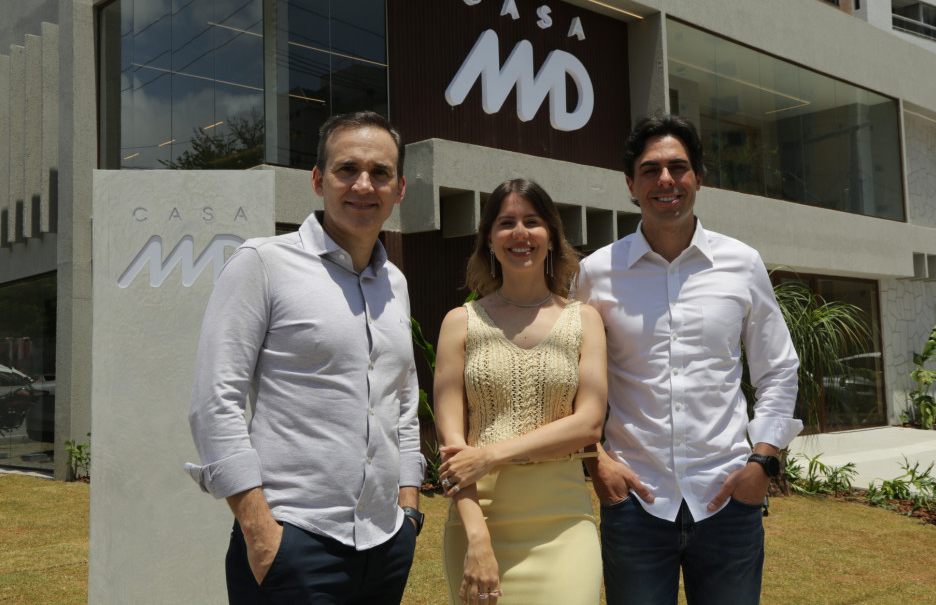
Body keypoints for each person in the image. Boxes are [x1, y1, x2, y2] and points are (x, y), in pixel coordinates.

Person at [185, 110, 426, 604]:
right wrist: (260, 532)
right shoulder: (263, 264)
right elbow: (215, 401)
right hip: (293, 540)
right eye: (347, 169)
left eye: (380, 172)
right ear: (318, 180)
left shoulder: (395, 284)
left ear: (399, 189)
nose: (364, 184)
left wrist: (409, 507)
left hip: (386, 542)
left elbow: (402, 397)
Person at [573, 115, 803, 605]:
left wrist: (763, 461)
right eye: (650, 169)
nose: (666, 180)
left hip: (728, 498)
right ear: (631, 185)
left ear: (699, 178)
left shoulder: (741, 263)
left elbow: (778, 368)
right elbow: (572, 381)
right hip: (635, 501)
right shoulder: (597, 273)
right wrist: (598, 465)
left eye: (678, 167)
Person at [433, 179, 608, 605]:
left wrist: (491, 454)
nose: (520, 233)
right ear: (489, 240)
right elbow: (452, 447)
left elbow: (589, 423)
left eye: (532, 221)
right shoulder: (460, 322)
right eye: (506, 222)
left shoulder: (584, 320)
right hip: (479, 518)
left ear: (551, 235)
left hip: (563, 520)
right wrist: (477, 539)